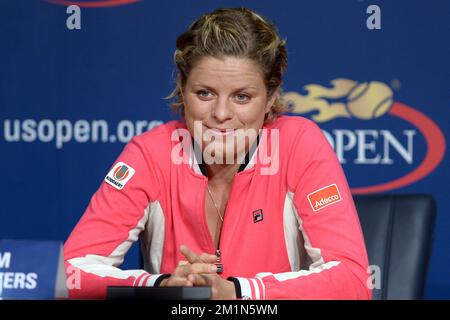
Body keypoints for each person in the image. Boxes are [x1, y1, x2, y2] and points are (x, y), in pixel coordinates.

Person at [64, 8, 371, 300]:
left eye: (242, 97)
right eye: (205, 93)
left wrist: (238, 293)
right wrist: (162, 286)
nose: (221, 114)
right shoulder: (150, 153)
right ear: (182, 90)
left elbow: (352, 282)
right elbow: (69, 273)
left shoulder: (299, 144)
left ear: (270, 98)